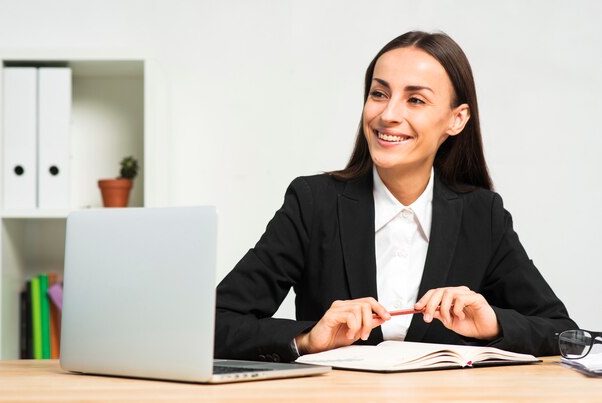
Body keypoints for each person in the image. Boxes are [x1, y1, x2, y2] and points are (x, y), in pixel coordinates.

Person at [214, 31, 577, 363]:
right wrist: (308, 338)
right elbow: (215, 322)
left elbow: (563, 333)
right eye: (379, 93)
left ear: (457, 119)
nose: (388, 114)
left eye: (415, 99)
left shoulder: (483, 215)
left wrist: (493, 323)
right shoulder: (313, 203)